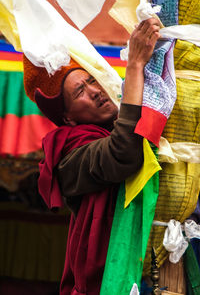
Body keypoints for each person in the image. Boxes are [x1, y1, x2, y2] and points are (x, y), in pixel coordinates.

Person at [24, 18, 161, 294]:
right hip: (110, 280)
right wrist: (134, 65)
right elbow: (123, 152)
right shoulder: (69, 157)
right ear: (68, 118)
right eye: (80, 92)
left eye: (91, 81)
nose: (96, 91)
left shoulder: (130, 116)